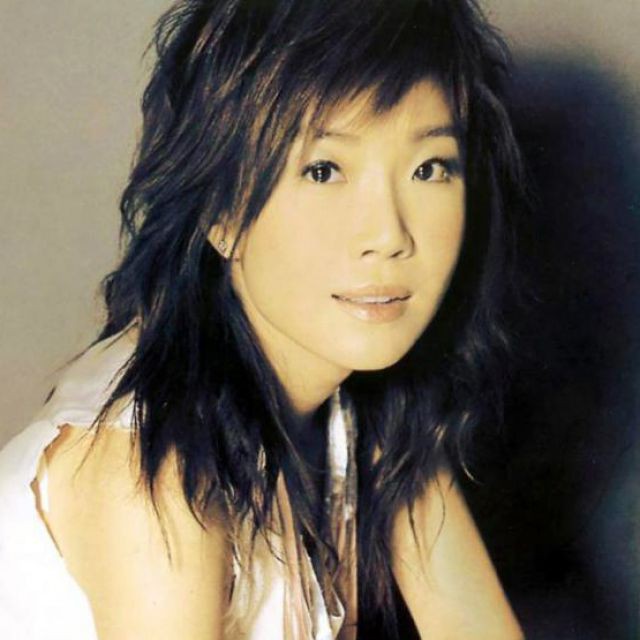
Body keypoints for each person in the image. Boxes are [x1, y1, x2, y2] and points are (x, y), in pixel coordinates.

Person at [0, 0, 528, 638]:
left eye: (429, 168)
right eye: (324, 170)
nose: (389, 235)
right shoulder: (147, 467)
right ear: (221, 213)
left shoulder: (365, 409)